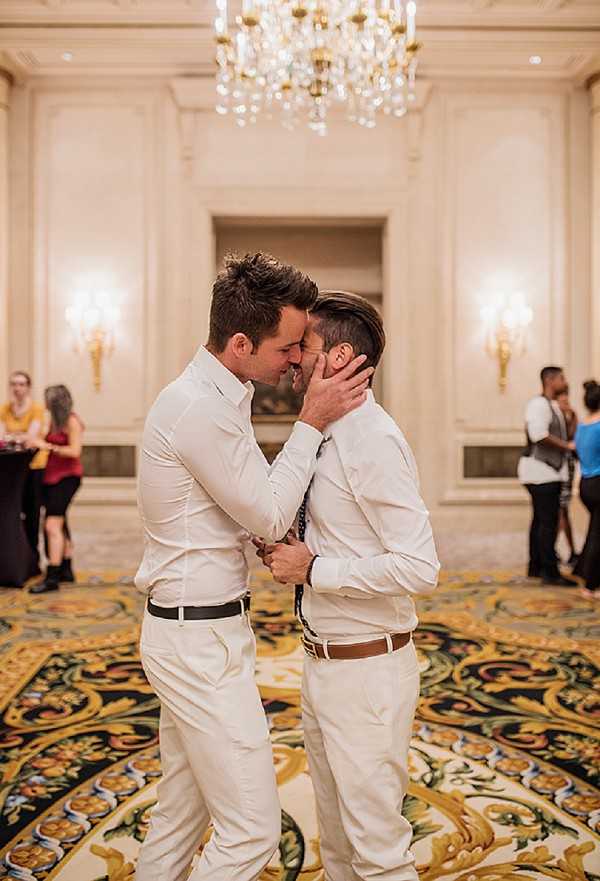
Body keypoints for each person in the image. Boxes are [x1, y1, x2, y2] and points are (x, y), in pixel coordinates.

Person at [133, 253, 374, 881]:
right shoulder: (198, 408)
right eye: (289, 346)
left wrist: (262, 531)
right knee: (251, 833)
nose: (298, 360)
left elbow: (236, 504)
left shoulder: (220, 395)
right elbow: (266, 512)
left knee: (180, 817)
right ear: (240, 343)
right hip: (196, 642)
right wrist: (313, 421)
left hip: (201, 630)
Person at [257, 291, 440, 881]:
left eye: (302, 347)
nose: (291, 359)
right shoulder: (328, 434)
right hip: (321, 662)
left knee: (379, 852)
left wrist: (315, 569)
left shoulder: (373, 440)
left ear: (336, 357)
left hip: (368, 675)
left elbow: (419, 567)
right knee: (335, 845)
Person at [517, 366, 577, 586]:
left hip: (549, 472)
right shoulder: (538, 405)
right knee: (548, 523)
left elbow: (565, 433)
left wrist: (571, 416)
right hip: (540, 472)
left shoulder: (553, 406)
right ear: (550, 380)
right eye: (562, 377)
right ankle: (550, 572)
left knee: (540, 521)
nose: (565, 381)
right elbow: (538, 435)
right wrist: (567, 446)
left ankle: (536, 567)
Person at [28, 385, 84, 594]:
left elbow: (75, 451)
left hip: (67, 478)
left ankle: (52, 578)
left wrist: (49, 447)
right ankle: (66, 569)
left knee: (52, 525)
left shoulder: (72, 421)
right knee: (61, 524)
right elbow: (39, 437)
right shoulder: (51, 421)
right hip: (50, 478)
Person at [0, 370, 47, 573]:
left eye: (21, 384)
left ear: (28, 387)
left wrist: (15, 436)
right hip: (11, 469)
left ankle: (33, 559)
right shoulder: (4, 409)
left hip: (34, 467)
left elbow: (31, 438)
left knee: (32, 512)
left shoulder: (36, 410)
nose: (17, 388)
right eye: (14, 384)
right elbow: (2, 437)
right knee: (12, 512)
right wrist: (17, 436)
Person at [573, 380, 600, 598]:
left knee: (594, 532)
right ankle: (590, 586)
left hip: (586, 484)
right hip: (598, 484)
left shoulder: (582, 425)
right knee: (597, 535)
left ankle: (584, 574)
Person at [556, 385, 579, 567]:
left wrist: (573, 417)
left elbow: (573, 440)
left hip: (567, 469)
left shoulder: (571, 417)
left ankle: (570, 551)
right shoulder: (554, 417)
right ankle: (555, 549)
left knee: (563, 510)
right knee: (559, 512)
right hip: (557, 470)